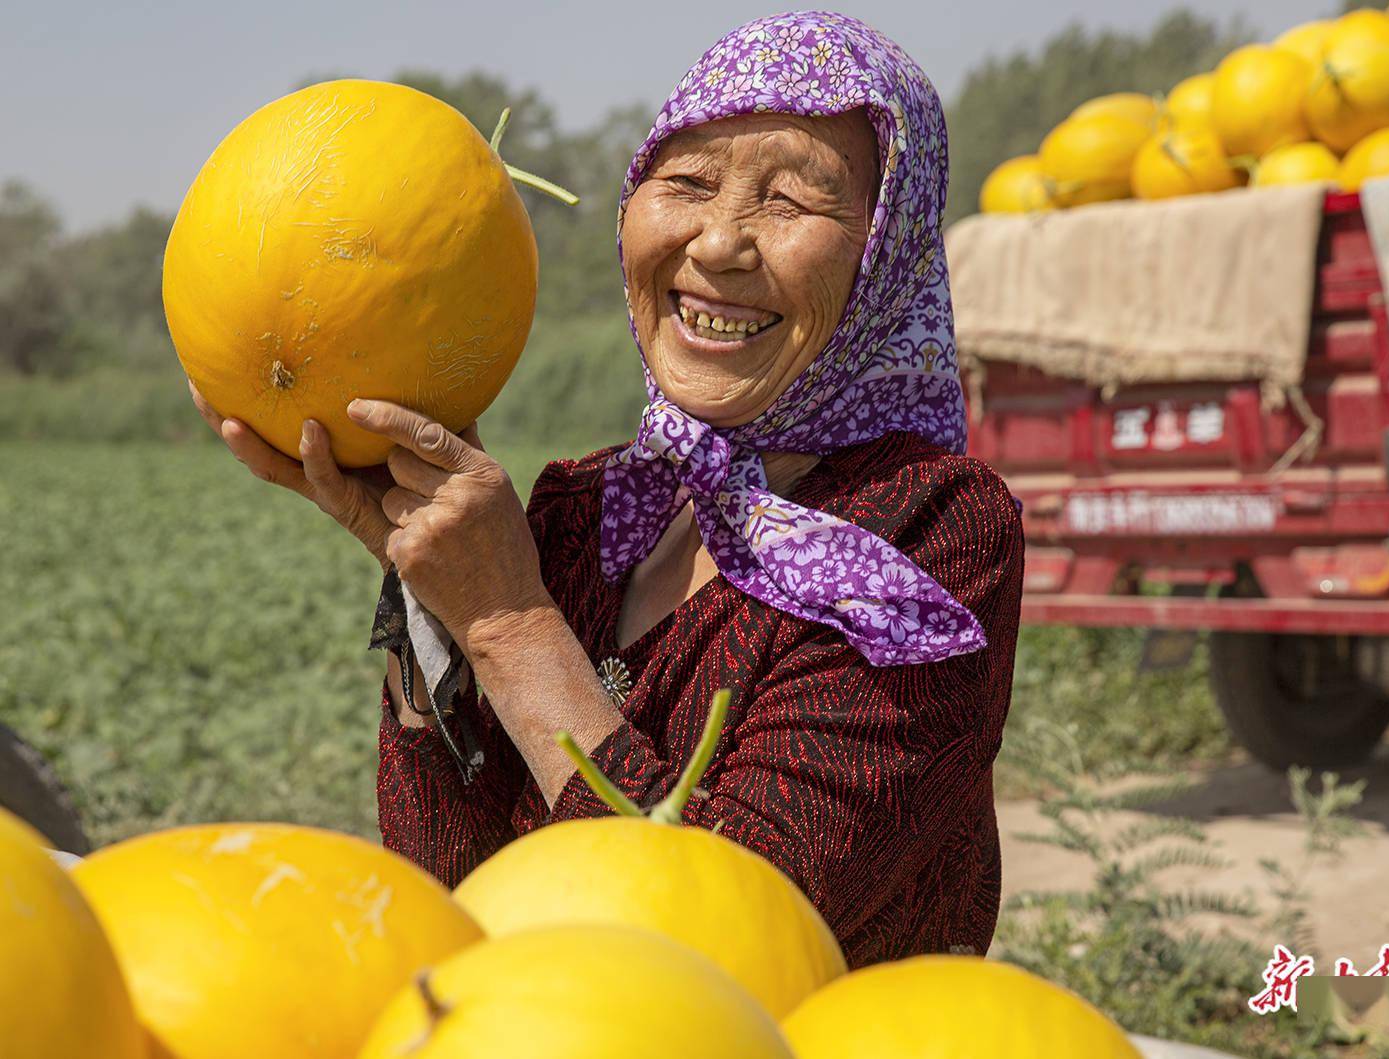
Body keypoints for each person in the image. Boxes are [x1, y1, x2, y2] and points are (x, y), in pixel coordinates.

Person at [191, 11, 1024, 967]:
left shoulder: (931, 532)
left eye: (791, 201)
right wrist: (425, 578)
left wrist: (509, 624)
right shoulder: (580, 511)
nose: (718, 245)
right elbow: (449, 890)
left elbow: (729, 942)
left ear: (889, 252)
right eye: (687, 183)